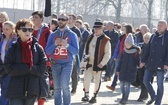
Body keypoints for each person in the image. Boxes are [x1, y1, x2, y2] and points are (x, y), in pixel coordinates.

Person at [4, 19, 47, 105]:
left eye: (30, 29)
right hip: (16, 89)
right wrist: (27, 68)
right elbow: (9, 68)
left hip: (32, 88)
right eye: (24, 29)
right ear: (18, 31)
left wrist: (30, 68)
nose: (28, 32)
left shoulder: (38, 48)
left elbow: (42, 68)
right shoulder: (12, 48)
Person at [46, 14, 79, 105]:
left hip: (67, 64)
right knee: (57, 88)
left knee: (65, 86)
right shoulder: (53, 35)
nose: (60, 21)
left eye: (63, 19)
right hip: (55, 63)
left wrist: (66, 44)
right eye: (59, 19)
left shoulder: (72, 35)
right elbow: (47, 51)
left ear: (67, 21)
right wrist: (55, 44)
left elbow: (76, 51)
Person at [81, 21, 111, 103]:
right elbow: (85, 50)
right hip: (89, 63)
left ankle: (94, 95)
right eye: (95, 28)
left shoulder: (105, 40)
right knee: (86, 79)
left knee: (97, 81)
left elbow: (107, 54)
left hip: (98, 63)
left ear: (102, 29)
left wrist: (102, 63)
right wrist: (83, 62)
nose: (96, 30)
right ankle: (86, 94)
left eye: (98, 28)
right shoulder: (90, 37)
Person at [140, 20, 168, 105]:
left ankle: (157, 102)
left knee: (160, 84)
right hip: (151, 63)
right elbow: (148, 49)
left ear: (166, 27)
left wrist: (166, 63)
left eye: (161, 25)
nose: (159, 27)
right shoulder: (153, 36)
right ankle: (153, 96)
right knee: (145, 81)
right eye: (158, 25)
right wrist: (143, 61)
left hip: (161, 64)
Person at [106, 24, 137, 91]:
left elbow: (134, 47)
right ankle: (113, 85)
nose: (123, 30)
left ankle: (124, 85)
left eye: (124, 29)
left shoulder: (133, 37)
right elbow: (118, 46)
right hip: (120, 56)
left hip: (128, 57)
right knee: (117, 71)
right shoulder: (121, 37)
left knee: (124, 71)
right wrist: (115, 55)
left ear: (128, 29)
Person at [117, 34, 140, 104]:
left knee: (127, 85)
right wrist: (118, 70)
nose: (126, 45)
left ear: (131, 44)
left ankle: (126, 98)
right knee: (121, 85)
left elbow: (137, 61)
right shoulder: (124, 51)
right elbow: (120, 61)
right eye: (125, 44)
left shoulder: (135, 52)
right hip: (123, 70)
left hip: (131, 71)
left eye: (128, 44)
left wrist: (139, 64)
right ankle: (123, 95)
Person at [0, 21, 17, 105]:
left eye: (7, 29)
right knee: (4, 89)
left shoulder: (15, 40)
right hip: (2, 67)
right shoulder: (1, 39)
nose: (5, 31)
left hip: (10, 68)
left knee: (5, 89)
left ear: (12, 29)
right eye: (3, 29)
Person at [68, 14, 81, 95]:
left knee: (74, 72)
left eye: (70, 18)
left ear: (74, 20)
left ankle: (74, 88)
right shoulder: (64, 29)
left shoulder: (76, 31)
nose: (68, 20)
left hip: (73, 53)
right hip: (63, 53)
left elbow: (77, 43)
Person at [137, 32, 152, 102]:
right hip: (140, 66)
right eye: (145, 38)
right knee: (141, 81)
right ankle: (145, 95)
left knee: (146, 81)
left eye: (148, 38)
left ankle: (142, 96)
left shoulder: (152, 47)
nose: (146, 39)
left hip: (149, 66)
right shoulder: (140, 46)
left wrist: (145, 63)